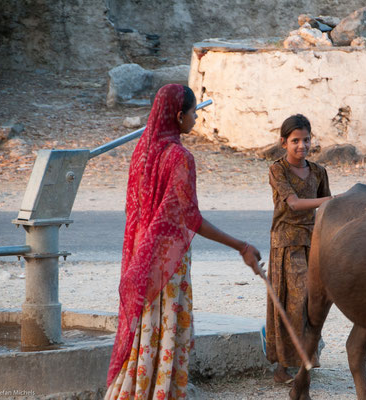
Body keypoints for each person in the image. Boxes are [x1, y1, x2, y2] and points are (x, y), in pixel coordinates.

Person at [105, 84, 261, 399]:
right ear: (179, 116)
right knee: (165, 329)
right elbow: (192, 219)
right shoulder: (179, 156)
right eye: (193, 113)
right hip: (167, 262)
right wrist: (241, 246)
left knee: (144, 329)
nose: (195, 119)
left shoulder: (142, 153)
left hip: (140, 256)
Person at [266, 113, 333, 383]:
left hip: (312, 242)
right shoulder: (277, 170)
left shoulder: (318, 172)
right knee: (293, 301)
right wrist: (334, 199)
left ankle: (304, 360)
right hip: (286, 244)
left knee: (311, 302)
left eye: (306, 140)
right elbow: (293, 203)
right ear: (284, 142)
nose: (301, 146)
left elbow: (327, 210)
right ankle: (284, 366)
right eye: (295, 141)